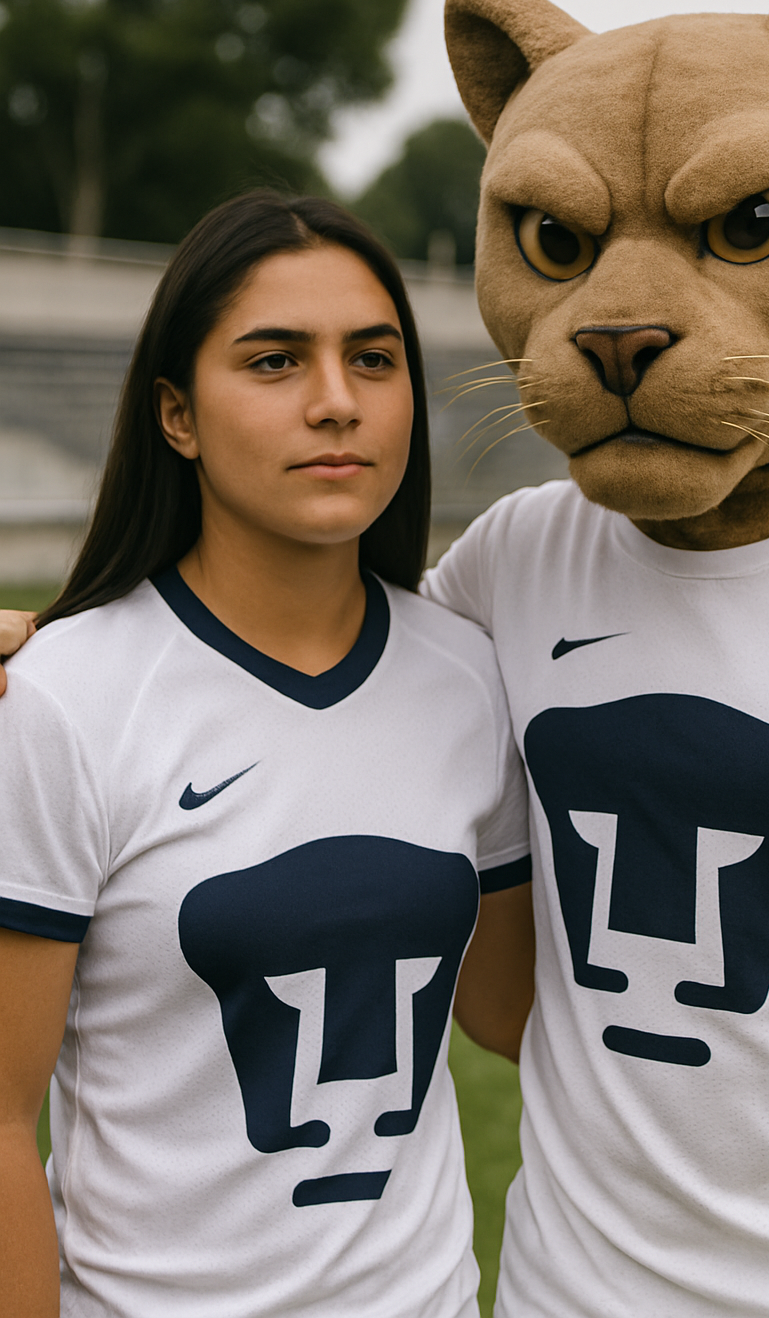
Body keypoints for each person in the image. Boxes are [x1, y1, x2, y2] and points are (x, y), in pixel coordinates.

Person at [0, 191, 533, 1318]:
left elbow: (512, 1012)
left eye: (374, 359)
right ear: (176, 414)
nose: (336, 403)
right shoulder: (58, 703)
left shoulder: (472, 675)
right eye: (276, 360)